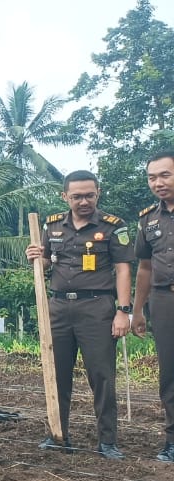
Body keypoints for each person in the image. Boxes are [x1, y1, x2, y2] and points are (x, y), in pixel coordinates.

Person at [25, 170, 132, 459]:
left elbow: (123, 269)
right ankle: (57, 434)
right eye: (76, 196)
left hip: (97, 308)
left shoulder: (113, 227)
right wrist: (37, 255)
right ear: (65, 197)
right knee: (56, 375)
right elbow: (47, 262)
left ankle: (107, 441)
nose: (83, 201)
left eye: (89, 195)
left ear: (98, 193)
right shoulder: (53, 225)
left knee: (102, 376)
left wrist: (123, 311)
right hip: (58, 309)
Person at [131, 150, 174, 462]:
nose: (158, 183)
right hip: (163, 300)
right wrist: (137, 310)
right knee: (169, 373)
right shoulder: (148, 219)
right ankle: (173, 440)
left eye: (165, 175)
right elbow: (144, 268)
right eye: (152, 177)